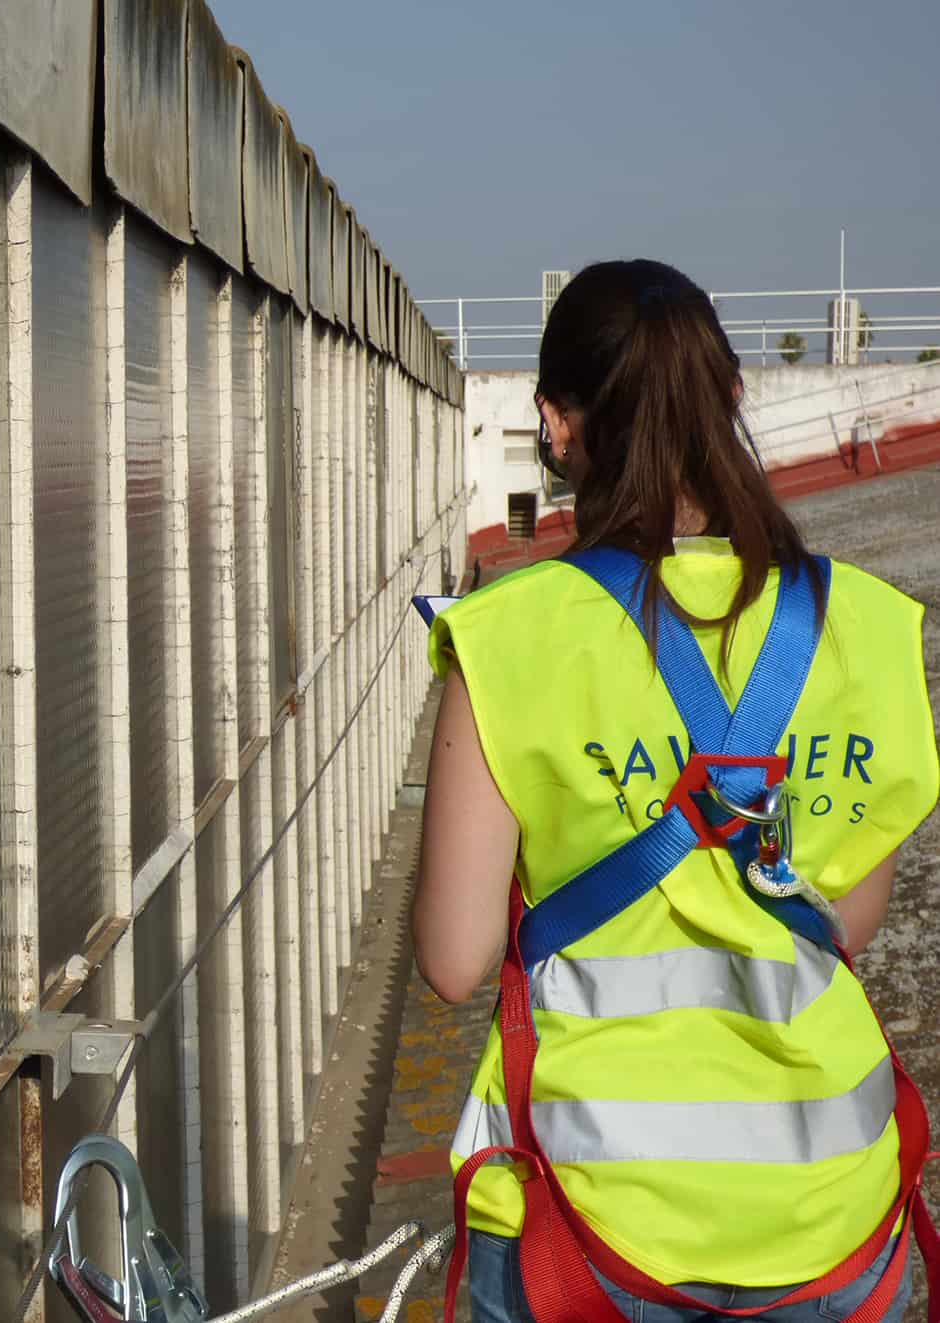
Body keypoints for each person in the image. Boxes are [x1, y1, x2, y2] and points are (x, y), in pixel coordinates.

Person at [412, 259, 939, 1323]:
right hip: (829, 1211)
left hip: (587, 1217)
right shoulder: (871, 630)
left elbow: (454, 962)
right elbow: (850, 922)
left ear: (556, 427)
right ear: (733, 403)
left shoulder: (510, 638)